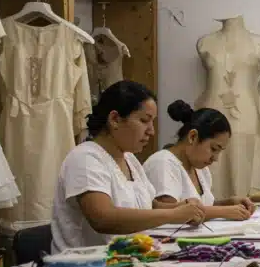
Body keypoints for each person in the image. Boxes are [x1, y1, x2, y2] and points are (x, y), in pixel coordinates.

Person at [51, 80, 205, 252]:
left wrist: (181, 208)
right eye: (144, 121)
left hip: (126, 260)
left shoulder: (130, 159)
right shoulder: (85, 158)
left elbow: (148, 206)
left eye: (152, 122)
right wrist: (173, 215)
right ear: (115, 119)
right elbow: (103, 218)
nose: (151, 131)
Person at [145, 100, 256, 220]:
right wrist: (224, 211)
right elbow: (172, 213)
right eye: (213, 149)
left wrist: (229, 203)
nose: (215, 158)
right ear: (193, 137)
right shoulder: (162, 163)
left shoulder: (200, 169)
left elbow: (203, 207)